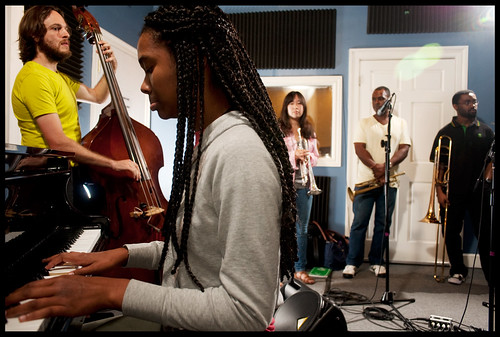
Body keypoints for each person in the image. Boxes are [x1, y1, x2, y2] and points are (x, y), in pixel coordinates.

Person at [5, 5, 298, 331]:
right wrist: (122, 253)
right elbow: (196, 251)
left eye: (149, 68)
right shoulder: (213, 142)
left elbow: (246, 315)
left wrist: (111, 290)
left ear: (195, 64)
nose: (144, 86)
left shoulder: (241, 153)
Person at [12, 5, 140, 181]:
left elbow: (96, 96)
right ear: (34, 35)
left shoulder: (60, 78)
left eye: (66, 28)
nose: (66, 34)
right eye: (56, 29)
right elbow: (58, 143)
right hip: (47, 177)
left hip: (66, 171)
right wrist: (113, 164)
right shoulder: (34, 77)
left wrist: (111, 67)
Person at [343, 86, 411, 279]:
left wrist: (387, 166)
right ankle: (351, 262)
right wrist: (376, 167)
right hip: (366, 182)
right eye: (374, 99)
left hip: (389, 182)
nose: (377, 102)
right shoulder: (363, 123)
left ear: (389, 100)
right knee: (359, 223)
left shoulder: (400, 123)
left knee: (383, 224)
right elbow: (359, 148)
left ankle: (376, 261)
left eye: (381, 99)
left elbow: (404, 148)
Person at [429, 89, 494, 286]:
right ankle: (457, 270)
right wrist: (439, 191)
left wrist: (487, 180)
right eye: (467, 102)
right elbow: (439, 165)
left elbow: (492, 160)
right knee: (450, 233)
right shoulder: (445, 133)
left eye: (474, 102)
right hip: (452, 192)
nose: (472, 105)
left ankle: (491, 274)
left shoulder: (486, 131)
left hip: (479, 192)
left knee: (486, 234)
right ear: (456, 106)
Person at [278, 91, 320, 285]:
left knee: (301, 228)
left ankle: (300, 269)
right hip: (285, 184)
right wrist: (293, 156)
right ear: (286, 106)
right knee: (281, 227)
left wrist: (308, 156)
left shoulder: (309, 130)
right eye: (292, 103)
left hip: (304, 185)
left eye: (300, 103)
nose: (296, 107)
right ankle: (280, 270)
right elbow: (275, 156)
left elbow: (316, 157)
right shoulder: (278, 128)